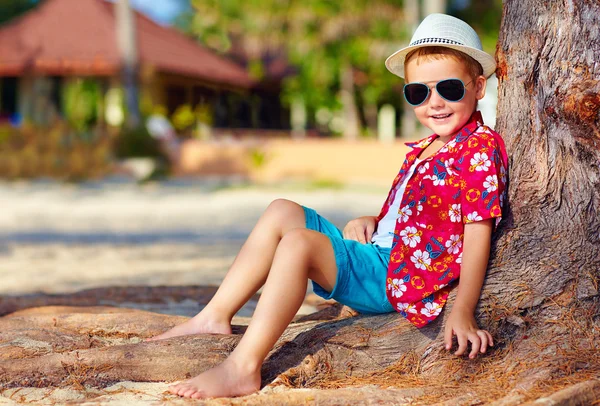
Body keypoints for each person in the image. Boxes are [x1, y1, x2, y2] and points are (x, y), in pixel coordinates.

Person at [151, 13, 508, 399]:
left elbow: (477, 231)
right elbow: (416, 212)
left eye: (450, 89)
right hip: (381, 253)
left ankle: (243, 367)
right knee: (282, 210)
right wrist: (371, 219)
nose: (434, 103)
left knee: (299, 244)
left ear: (478, 87)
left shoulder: (478, 150)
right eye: (418, 93)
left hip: (398, 276)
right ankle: (213, 316)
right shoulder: (428, 147)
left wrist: (463, 309)